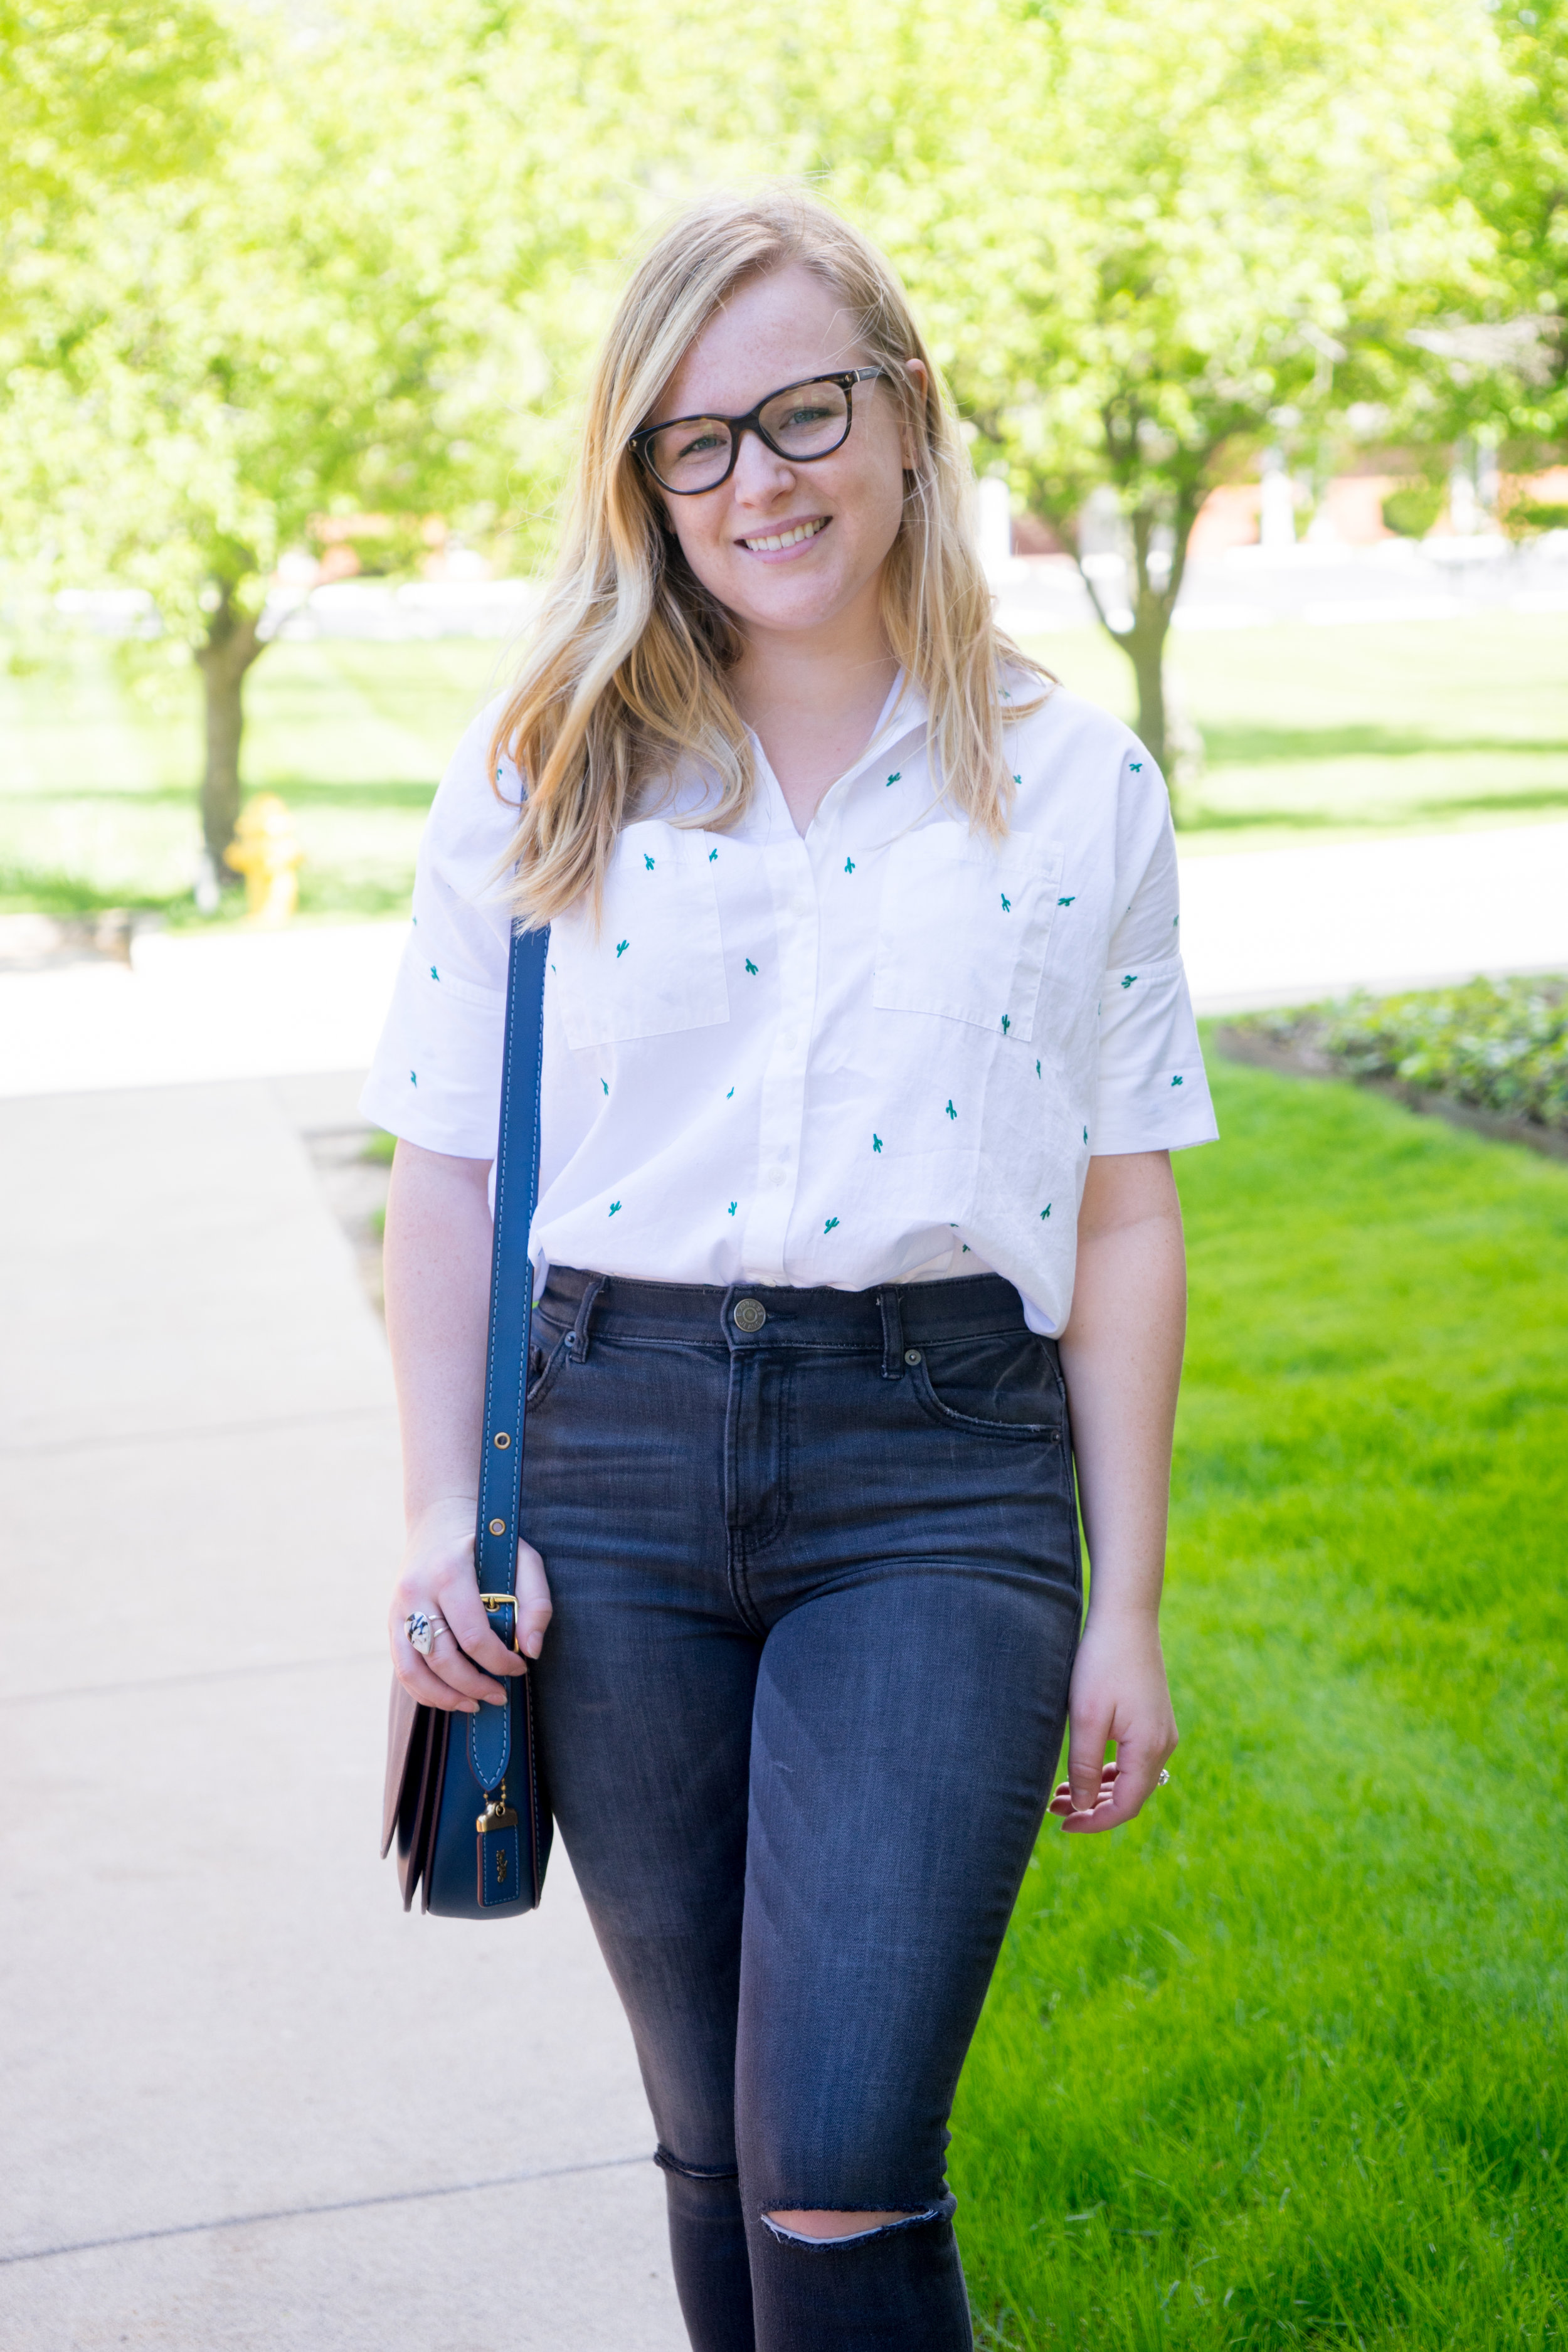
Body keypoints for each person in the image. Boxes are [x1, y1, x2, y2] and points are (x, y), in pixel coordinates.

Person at [362, 184, 1217, 2352]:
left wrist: (1124, 1604)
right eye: (695, 439)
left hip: (938, 1475)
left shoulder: (1074, 780)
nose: (759, 480)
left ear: (907, 416)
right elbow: (447, 1176)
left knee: (835, 2162)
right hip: (611, 1472)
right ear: (642, 475)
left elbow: (1122, 1206)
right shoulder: (546, 756)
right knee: (713, 2147)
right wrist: (436, 1524)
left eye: (804, 411)